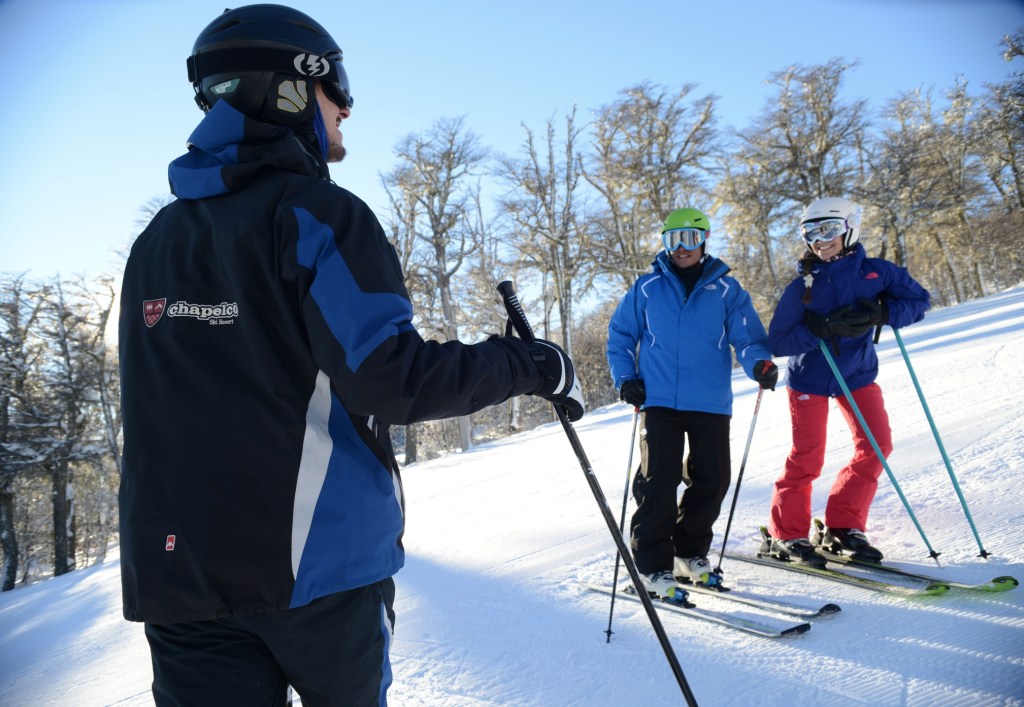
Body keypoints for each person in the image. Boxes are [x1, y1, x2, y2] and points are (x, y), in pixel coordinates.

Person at [118, 6, 584, 706]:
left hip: (178, 577)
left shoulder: (156, 240)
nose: (346, 108)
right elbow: (393, 381)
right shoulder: (317, 215)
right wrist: (531, 364)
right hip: (316, 571)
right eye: (337, 88)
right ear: (291, 90)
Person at [606, 207, 778, 600]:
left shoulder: (727, 290)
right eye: (672, 240)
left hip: (710, 400)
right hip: (658, 399)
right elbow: (620, 336)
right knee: (658, 482)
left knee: (712, 479)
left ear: (703, 240)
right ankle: (652, 565)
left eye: (689, 239)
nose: (681, 248)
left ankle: (689, 553)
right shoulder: (647, 288)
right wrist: (626, 379)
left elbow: (749, 338)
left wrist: (760, 365)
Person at [763, 196, 930, 566]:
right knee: (807, 458)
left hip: (857, 375)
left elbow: (919, 301)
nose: (820, 240)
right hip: (810, 380)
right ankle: (787, 533)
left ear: (849, 229)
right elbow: (778, 341)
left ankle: (843, 524)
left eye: (829, 230)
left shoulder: (876, 273)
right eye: (811, 232)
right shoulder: (802, 287)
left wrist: (885, 311)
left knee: (876, 445)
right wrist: (818, 331)